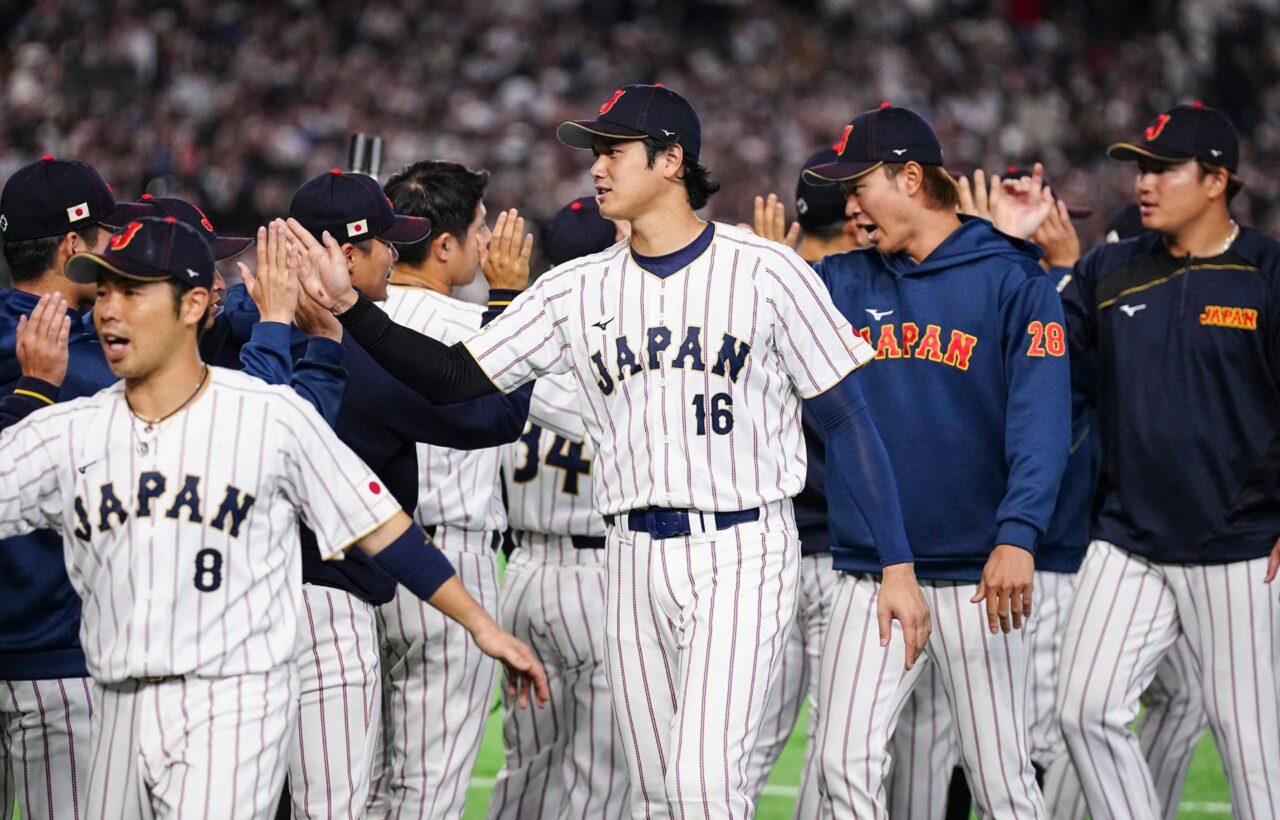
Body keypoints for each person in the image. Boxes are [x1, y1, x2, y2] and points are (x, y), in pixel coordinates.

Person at [289, 83, 928, 819]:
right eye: (595, 152)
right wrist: (350, 312)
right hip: (627, 555)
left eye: (614, 151)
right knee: (656, 797)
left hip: (743, 546)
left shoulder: (766, 270)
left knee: (702, 788)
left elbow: (849, 418)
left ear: (671, 160)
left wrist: (897, 564)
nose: (596, 167)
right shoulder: (576, 287)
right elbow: (456, 378)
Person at [0, 216, 547, 819]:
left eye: (132, 292)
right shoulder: (69, 430)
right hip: (113, 710)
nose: (108, 310)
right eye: (102, 291)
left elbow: (380, 524)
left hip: (225, 707)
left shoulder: (270, 415)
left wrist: (481, 625)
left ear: (194, 305)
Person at [206, 168, 536, 820]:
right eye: (384, 242)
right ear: (346, 255)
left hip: (230, 600)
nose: (396, 253)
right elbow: (487, 418)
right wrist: (509, 305)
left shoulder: (224, 326)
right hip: (336, 593)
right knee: (352, 803)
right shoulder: (362, 349)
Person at [0, 159, 313, 820]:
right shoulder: (94, 367)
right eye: (104, 242)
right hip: (58, 662)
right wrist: (277, 324)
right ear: (68, 248)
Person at [806, 104, 1071, 819]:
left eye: (859, 186)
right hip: (870, 569)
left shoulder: (1013, 282)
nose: (849, 205)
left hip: (979, 574)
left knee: (1002, 782)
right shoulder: (842, 283)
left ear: (912, 177)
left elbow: (1041, 422)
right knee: (841, 762)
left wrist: (1018, 533)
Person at [1055, 102, 1280, 820]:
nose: (1143, 184)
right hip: (1128, 541)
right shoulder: (1109, 270)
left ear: (1216, 179)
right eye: (1140, 169)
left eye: (1162, 169)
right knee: (1083, 709)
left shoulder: (1267, 272)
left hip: (1240, 546)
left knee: (1253, 754)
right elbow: (1042, 359)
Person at [367, 160, 530, 820]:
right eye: (481, 226)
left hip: (362, 558)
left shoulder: (351, 319)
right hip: (453, 565)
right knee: (425, 787)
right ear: (444, 245)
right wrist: (510, 302)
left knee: (346, 782)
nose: (488, 239)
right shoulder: (478, 330)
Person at [487, 195, 630, 820]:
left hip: (518, 577)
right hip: (599, 577)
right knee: (603, 775)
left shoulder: (511, 340)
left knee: (527, 768)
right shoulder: (619, 349)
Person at [740, 145, 871, 818]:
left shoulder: (754, 287)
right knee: (837, 750)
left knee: (743, 747)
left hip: (770, 545)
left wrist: (775, 265)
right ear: (856, 216)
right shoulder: (864, 294)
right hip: (844, 554)